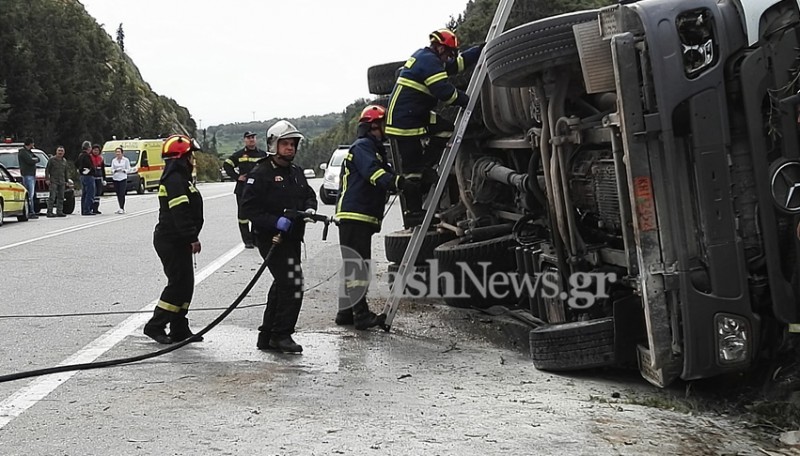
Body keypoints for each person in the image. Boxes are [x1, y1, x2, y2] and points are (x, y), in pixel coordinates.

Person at [385, 29, 482, 226]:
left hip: (414, 113)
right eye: (449, 53)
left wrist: (480, 50)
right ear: (439, 47)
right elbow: (444, 91)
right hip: (405, 121)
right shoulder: (429, 61)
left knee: (445, 129)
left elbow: (456, 65)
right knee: (412, 171)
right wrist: (468, 101)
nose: (451, 57)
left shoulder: (430, 58)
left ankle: (427, 167)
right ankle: (413, 212)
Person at [335, 105, 418, 329]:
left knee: (354, 265)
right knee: (359, 266)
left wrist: (404, 180)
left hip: (359, 215)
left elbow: (386, 173)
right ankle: (361, 316)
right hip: (355, 214)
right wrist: (398, 183)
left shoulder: (373, 149)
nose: (386, 129)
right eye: (383, 124)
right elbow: (375, 174)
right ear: (374, 126)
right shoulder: (363, 147)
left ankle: (345, 313)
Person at [240, 120, 317, 353]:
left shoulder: (296, 172)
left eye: (293, 144)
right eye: (285, 144)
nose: (290, 148)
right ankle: (282, 335)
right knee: (293, 283)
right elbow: (248, 209)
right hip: (271, 238)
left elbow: (308, 195)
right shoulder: (261, 173)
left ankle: (267, 335)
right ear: (274, 144)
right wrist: (275, 221)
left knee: (282, 283)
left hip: (293, 237)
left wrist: (310, 208)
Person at [143, 134, 204, 344]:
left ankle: (179, 327)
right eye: (190, 156)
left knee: (186, 284)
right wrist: (192, 237)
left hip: (179, 240)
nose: (192, 160)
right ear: (180, 158)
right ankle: (155, 325)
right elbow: (180, 212)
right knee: (178, 284)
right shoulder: (175, 180)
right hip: (171, 240)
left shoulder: (181, 178)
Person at [223, 131, 267, 248]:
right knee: (243, 216)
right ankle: (247, 241)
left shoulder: (262, 154)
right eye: (248, 138)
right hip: (242, 190)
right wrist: (237, 177)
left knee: (257, 214)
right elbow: (227, 165)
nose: (251, 139)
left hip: (258, 190)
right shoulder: (239, 154)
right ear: (245, 140)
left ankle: (255, 239)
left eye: (253, 137)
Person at [17, 137, 40, 219]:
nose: (33, 145)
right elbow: (30, 161)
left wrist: (34, 159)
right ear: (30, 144)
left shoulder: (29, 152)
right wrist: (34, 160)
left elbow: (38, 159)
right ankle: (30, 211)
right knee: (29, 194)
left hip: (32, 175)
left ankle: (32, 210)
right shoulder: (23, 152)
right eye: (32, 143)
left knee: (32, 194)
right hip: (27, 175)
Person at [45, 146, 69, 217]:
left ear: (64, 152)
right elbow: (47, 170)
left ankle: (59, 211)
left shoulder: (64, 161)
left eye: (62, 151)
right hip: (53, 181)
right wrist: (47, 179)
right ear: (56, 151)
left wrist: (67, 181)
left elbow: (65, 172)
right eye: (59, 151)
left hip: (62, 181)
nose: (60, 152)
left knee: (61, 197)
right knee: (52, 197)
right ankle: (49, 212)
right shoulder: (52, 160)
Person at [76, 141, 96, 216]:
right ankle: (87, 209)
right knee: (90, 193)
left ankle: (83, 209)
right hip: (88, 176)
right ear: (89, 148)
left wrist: (80, 170)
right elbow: (89, 165)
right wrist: (92, 170)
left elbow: (76, 163)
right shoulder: (87, 156)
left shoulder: (80, 155)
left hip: (82, 176)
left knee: (84, 193)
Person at [109, 146, 132, 214]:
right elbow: (111, 169)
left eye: (119, 152)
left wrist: (124, 170)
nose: (118, 154)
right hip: (116, 178)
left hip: (123, 178)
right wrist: (115, 170)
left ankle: (122, 207)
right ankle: (119, 207)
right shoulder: (114, 160)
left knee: (122, 193)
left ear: (122, 153)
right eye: (116, 152)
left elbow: (129, 169)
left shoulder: (126, 160)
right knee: (118, 193)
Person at [90, 144, 106, 214]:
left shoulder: (101, 158)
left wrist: (104, 179)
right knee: (92, 193)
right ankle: (91, 207)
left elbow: (103, 169)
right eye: (94, 150)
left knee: (98, 194)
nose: (96, 151)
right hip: (92, 177)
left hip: (99, 178)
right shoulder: (90, 157)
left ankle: (96, 208)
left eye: (97, 150)